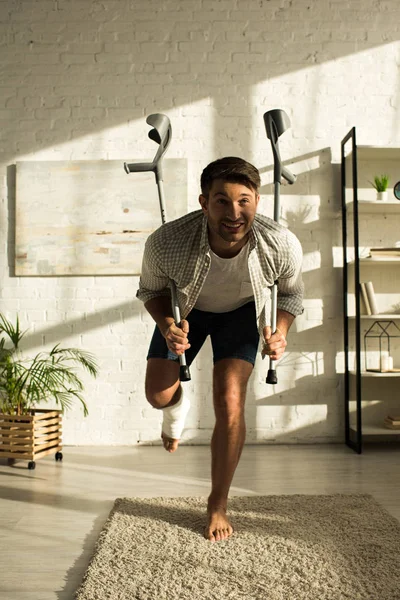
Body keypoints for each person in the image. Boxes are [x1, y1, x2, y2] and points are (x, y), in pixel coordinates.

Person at [136, 157, 304, 542]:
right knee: (157, 394)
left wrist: (279, 332)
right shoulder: (166, 242)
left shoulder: (281, 243)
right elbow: (151, 290)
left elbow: (291, 296)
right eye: (222, 201)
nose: (234, 213)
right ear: (203, 202)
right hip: (188, 308)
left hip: (244, 311)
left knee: (230, 400)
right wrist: (167, 326)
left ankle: (218, 503)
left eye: (244, 201)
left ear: (257, 201)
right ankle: (176, 409)